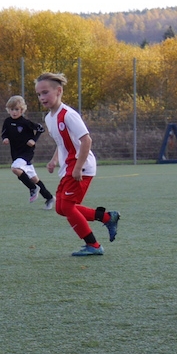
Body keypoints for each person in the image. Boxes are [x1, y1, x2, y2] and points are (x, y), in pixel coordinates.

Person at [34, 72, 120, 256]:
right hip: (68, 167)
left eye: (45, 92)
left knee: (67, 207)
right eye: (39, 94)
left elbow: (86, 140)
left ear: (59, 91)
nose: (41, 97)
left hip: (81, 166)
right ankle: (107, 217)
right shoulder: (49, 118)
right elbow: (62, 143)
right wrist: (54, 160)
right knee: (60, 208)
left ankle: (94, 245)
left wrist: (78, 167)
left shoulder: (69, 115)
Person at [1, 95, 55, 209]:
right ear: (8, 110)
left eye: (17, 109)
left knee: (15, 168)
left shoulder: (25, 122)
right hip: (16, 154)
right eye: (12, 109)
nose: (14, 112)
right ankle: (49, 197)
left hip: (27, 153)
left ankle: (33, 188)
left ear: (22, 110)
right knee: (34, 179)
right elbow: (4, 133)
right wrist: (5, 139)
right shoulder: (7, 122)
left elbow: (40, 129)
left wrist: (34, 140)